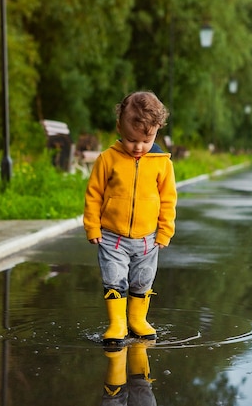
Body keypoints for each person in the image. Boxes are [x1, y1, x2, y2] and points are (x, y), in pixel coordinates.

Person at [84, 91, 177, 345]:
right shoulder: (107, 160)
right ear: (119, 127)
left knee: (142, 279)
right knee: (114, 278)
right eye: (131, 139)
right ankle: (117, 323)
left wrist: (165, 230)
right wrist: (92, 227)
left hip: (148, 239)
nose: (138, 147)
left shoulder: (162, 164)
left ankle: (137, 320)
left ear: (156, 131)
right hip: (112, 237)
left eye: (146, 141)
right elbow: (94, 194)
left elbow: (168, 199)